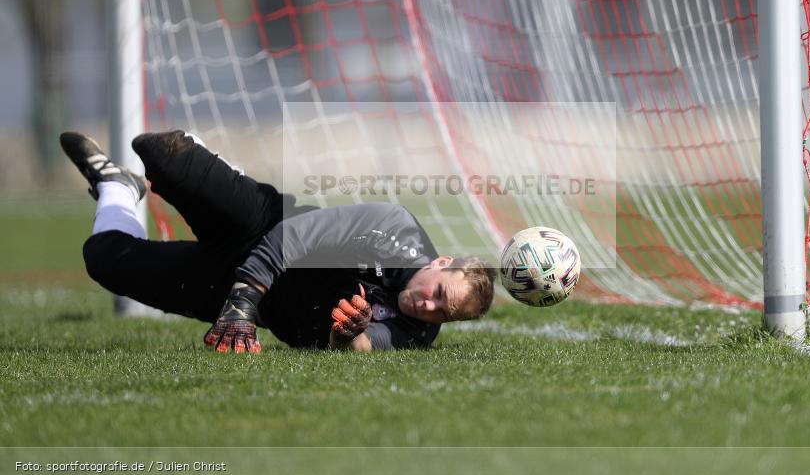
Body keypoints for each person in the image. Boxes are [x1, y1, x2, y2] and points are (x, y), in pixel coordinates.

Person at [60, 130, 495, 353]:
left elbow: (363, 348)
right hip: (261, 224)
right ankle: (223, 169)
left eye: (444, 313)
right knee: (158, 151)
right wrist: (245, 297)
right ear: (441, 262)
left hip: (233, 291)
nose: (429, 307)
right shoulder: (394, 226)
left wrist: (348, 336)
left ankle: (116, 187)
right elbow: (296, 235)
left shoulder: (418, 333)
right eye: (438, 294)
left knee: (101, 259)